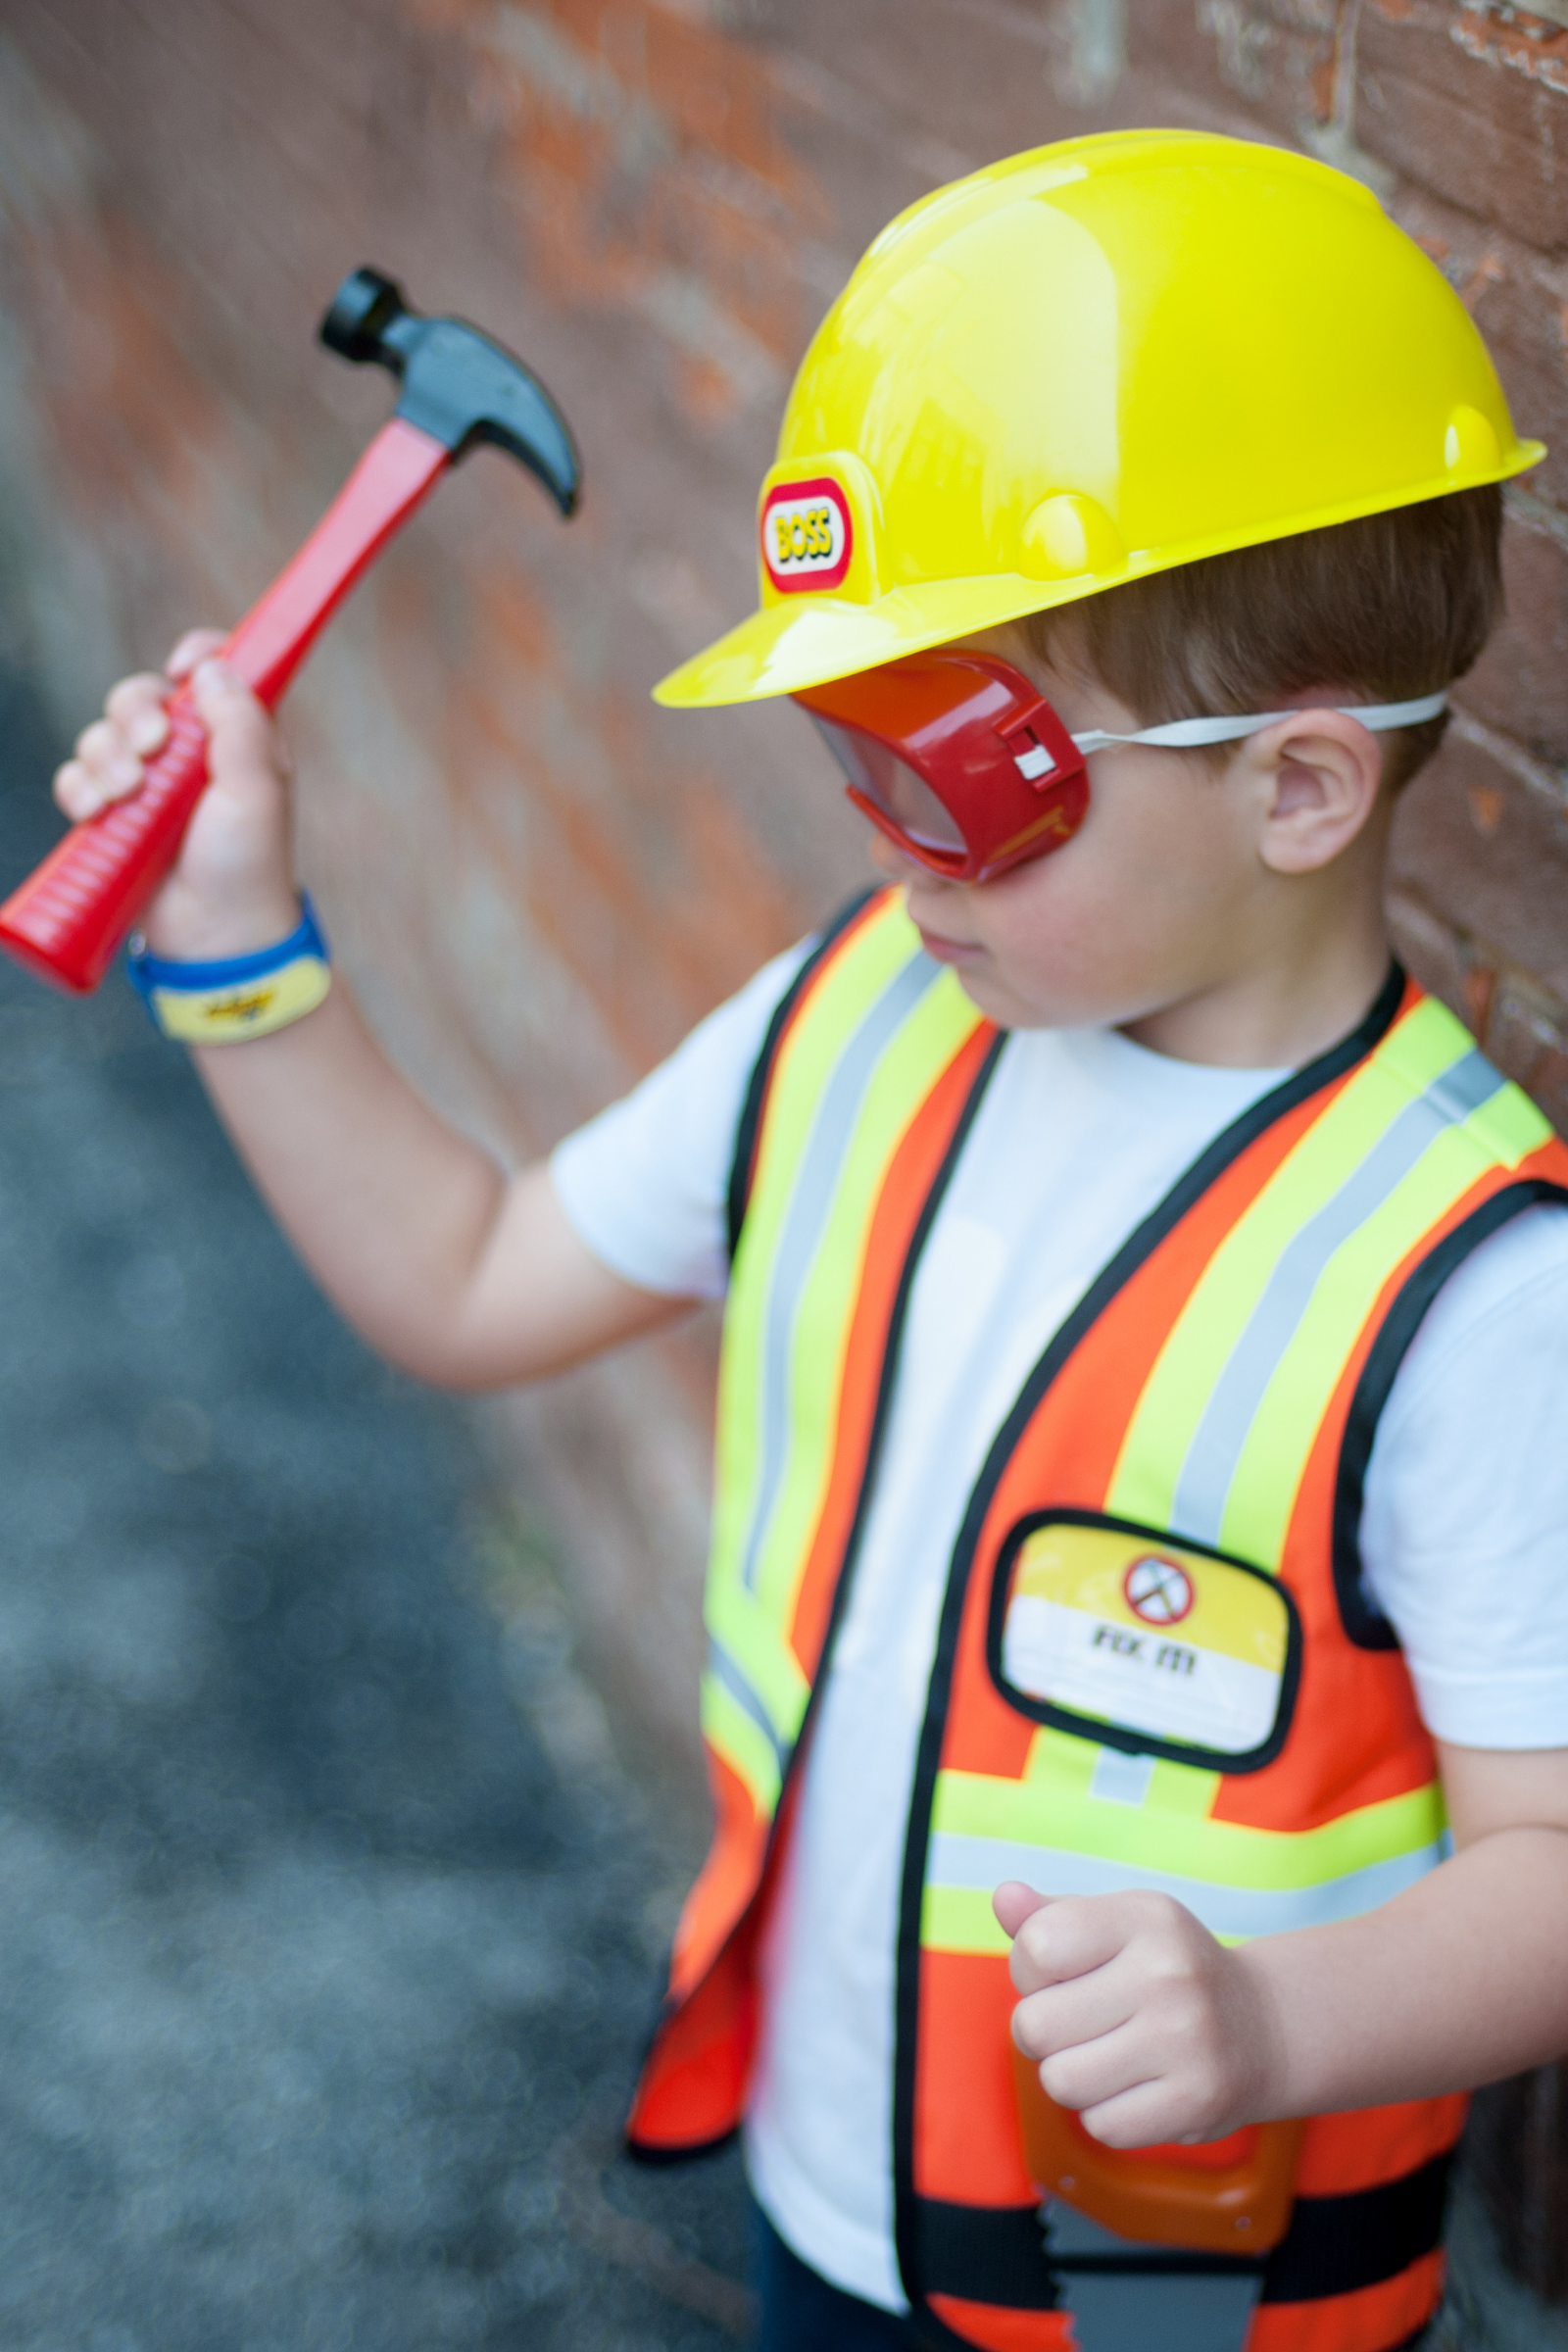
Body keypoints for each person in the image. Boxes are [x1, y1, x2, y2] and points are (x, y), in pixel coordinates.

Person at [55, 131, 1568, 2352]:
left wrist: (1271, 2027)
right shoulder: (852, 1016)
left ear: (1295, 785)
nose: (886, 841)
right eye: (839, 740)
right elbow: (469, 1282)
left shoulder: (1461, 1289)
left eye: (952, 771)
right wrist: (236, 944)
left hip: (1180, 2297)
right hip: (824, 2194)